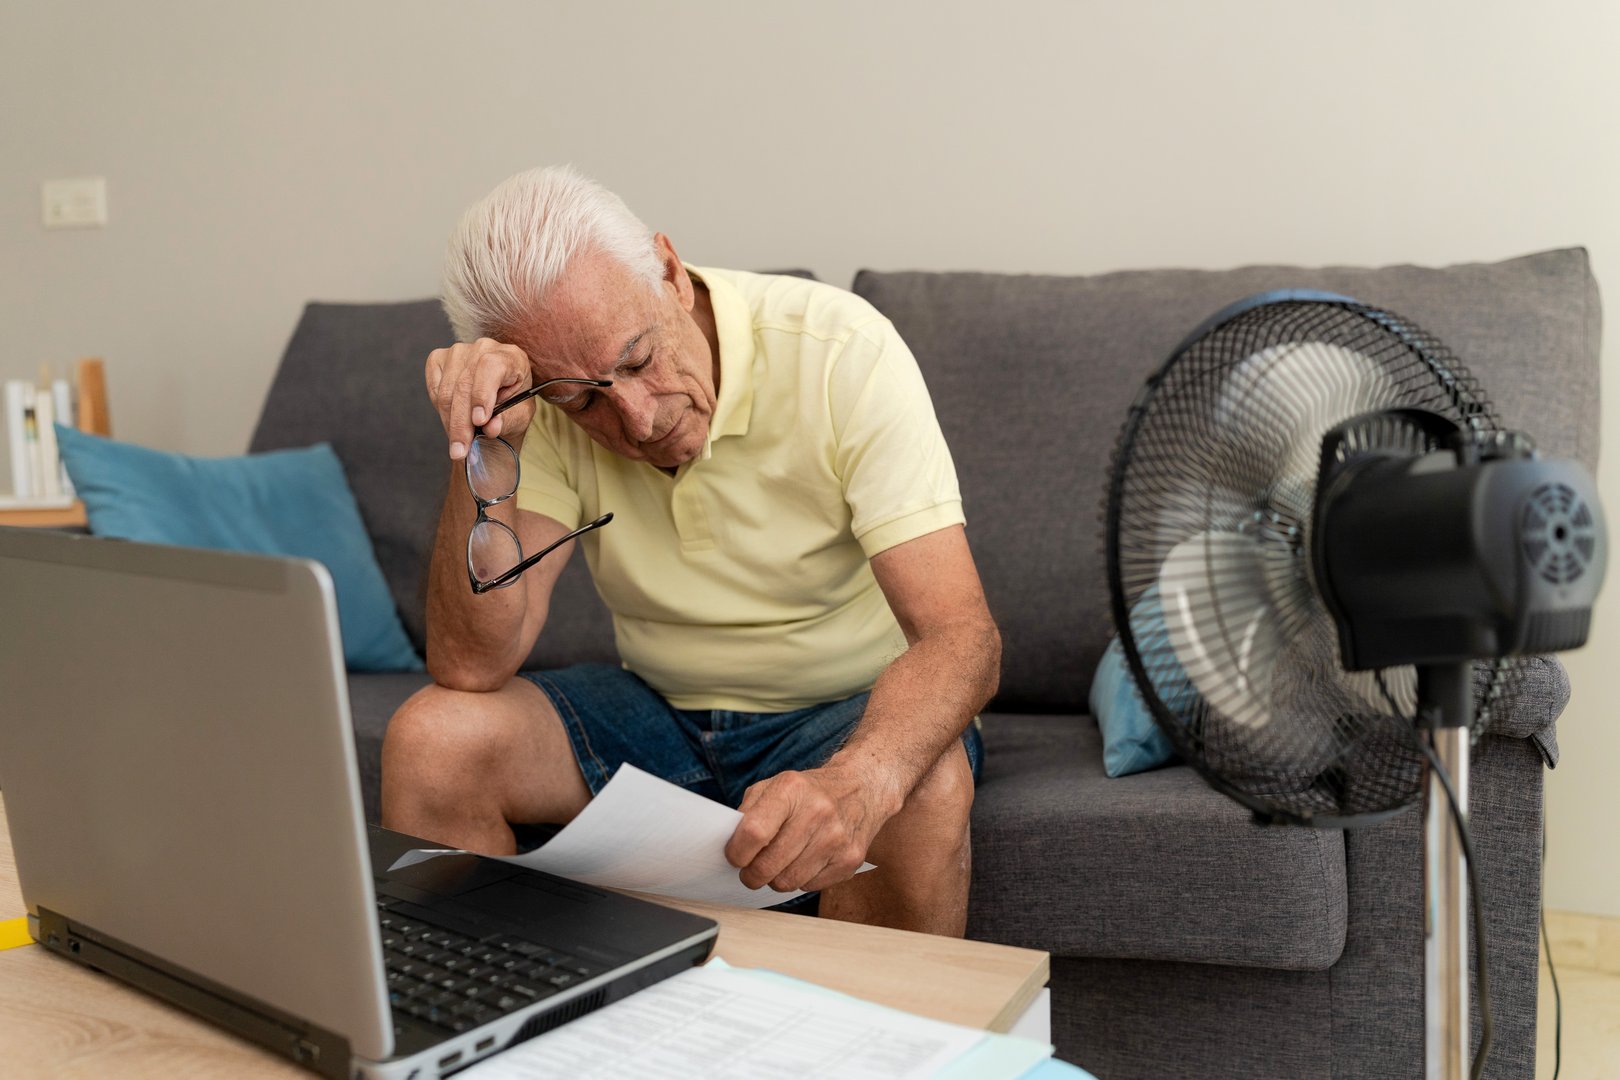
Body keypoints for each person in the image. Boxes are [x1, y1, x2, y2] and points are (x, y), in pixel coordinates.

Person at [381, 165, 1000, 936]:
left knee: (925, 784)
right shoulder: (537, 406)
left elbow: (961, 637)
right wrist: (484, 445)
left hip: (843, 711)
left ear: (670, 273)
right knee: (433, 740)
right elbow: (471, 666)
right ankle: (482, 1030)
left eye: (638, 360)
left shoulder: (841, 349)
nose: (637, 421)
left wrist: (861, 778)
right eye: (582, 401)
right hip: (661, 716)